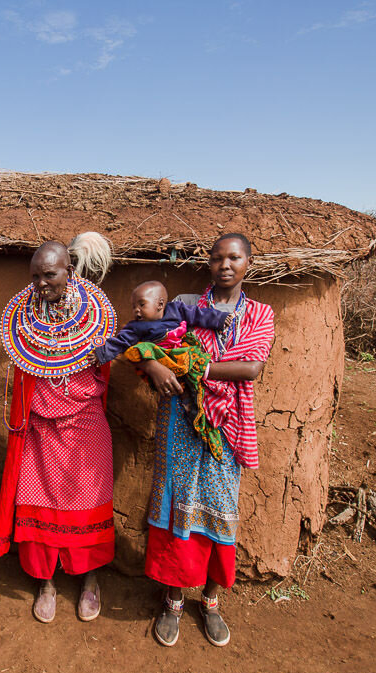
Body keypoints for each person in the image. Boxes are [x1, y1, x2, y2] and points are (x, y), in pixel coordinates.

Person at [139, 233, 275, 648]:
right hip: (179, 420)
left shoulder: (260, 314)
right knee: (177, 501)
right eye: (217, 258)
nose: (225, 265)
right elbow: (149, 339)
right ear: (209, 264)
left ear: (248, 262)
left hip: (225, 426)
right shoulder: (185, 306)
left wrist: (190, 366)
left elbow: (250, 368)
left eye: (234, 257)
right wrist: (152, 363)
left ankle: (211, 600)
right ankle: (175, 598)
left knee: (219, 506)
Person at [0, 232, 118, 623]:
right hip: (40, 427)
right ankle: (45, 581)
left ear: (70, 272)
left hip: (86, 423)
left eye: (48, 276)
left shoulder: (96, 318)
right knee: (38, 500)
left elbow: (109, 364)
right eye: (34, 277)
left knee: (87, 499)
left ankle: (90, 579)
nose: (40, 285)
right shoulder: (23, 320)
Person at [93, 280, 234, 365]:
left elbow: (197, 314)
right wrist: (101, 354)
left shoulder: (176, 309)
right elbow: (121, 342)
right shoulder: (136, 327)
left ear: (160, 304)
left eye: (141, 305)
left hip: (182, 353)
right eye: (134, 307)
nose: (137, 310)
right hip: (160, 359)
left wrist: (219, 319)